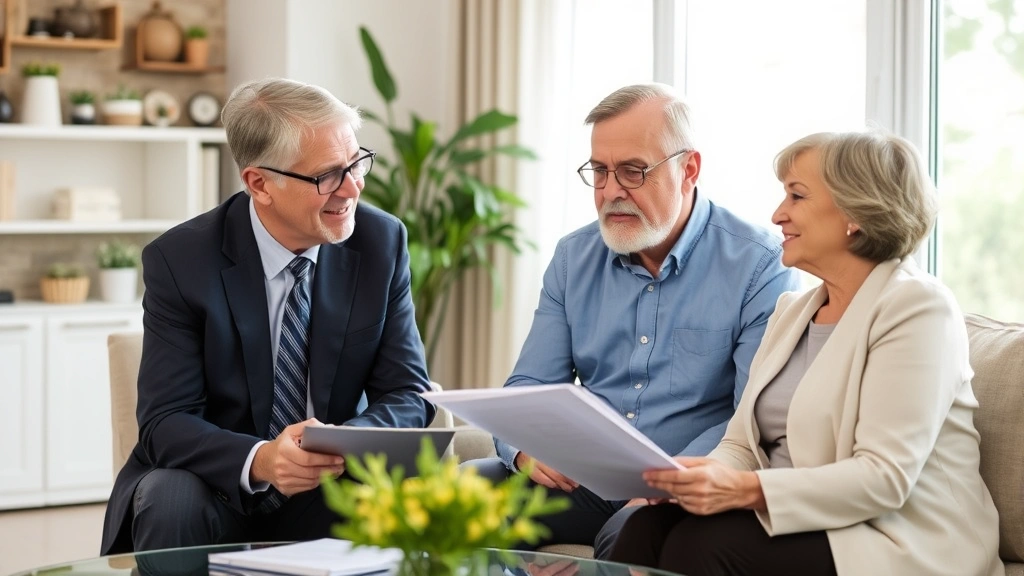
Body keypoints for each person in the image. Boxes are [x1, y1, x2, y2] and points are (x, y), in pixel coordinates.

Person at [607, 130, 1003, 576]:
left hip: (896, 537)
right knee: (646, 526)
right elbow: (740, 443)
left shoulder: (918, 308)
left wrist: (743, 489)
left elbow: (884, 478)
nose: (778, 214)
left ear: (856, 211)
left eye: (797, 196)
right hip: (804, 521)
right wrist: (697, 478)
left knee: (703, 545)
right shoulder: (792, 311)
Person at [100, 78, 435, 554]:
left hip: (332, 484)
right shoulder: (181, 260)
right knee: (168, 499)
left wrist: (338, 443)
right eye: (328, 175)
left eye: (356, 163)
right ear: (260, 183)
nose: (353, 187)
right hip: (217, 485)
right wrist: (261, 459)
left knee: (403, 500)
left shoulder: (381, 243)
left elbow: (407, 392)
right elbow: (166, 421)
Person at [466, 83, 800, 556]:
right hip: (578, 480)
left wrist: (670, 479)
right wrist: (523, 449)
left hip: (679, 482)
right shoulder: (572, 257)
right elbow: (529, 382)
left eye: (632, 171)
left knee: (630, 533)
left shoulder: (759, 265)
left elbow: (749, 415)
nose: (610, 192)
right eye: (599, 172)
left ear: (689, 169)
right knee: (463, 494)